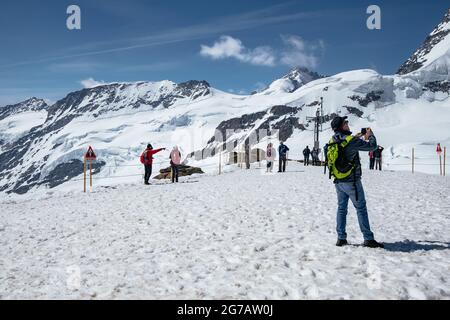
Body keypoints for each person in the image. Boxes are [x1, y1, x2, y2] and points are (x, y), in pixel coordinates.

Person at [327, 116, 384, 248]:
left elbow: (346, 144)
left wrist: (357, 137)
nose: (348, 124)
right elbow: (372, 146)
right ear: (342, 126)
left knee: (341, 209)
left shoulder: (333, 139)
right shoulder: (351, 140)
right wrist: (371, 135)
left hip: (338, 181)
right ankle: (368, 238)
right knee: (361, 208)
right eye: (345, 123)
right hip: (352, 181)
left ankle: (341, 238)